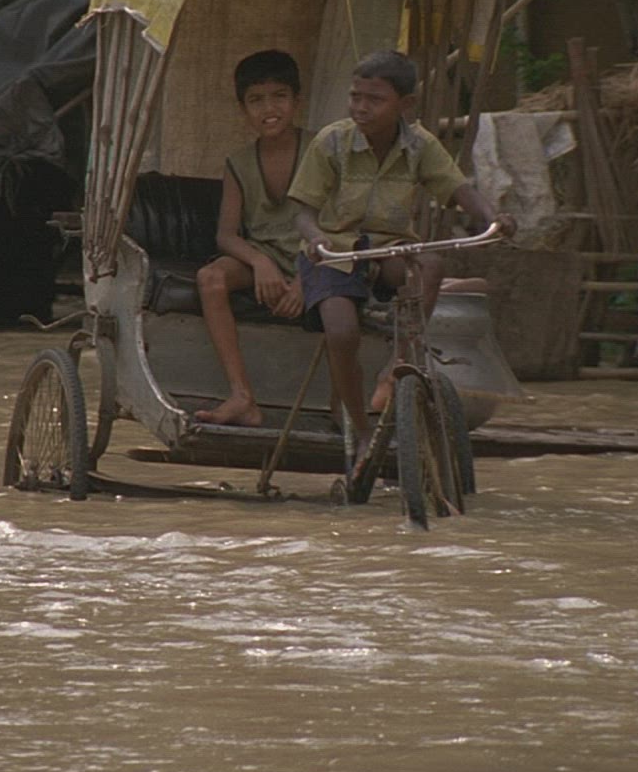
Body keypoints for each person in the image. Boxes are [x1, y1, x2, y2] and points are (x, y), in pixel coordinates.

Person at [289, 50, 513, 463]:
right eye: (355, 96)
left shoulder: (420, 145)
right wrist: (317, 238)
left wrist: (492, 217)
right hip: (334, 252)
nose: (361, 107)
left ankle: (395, 367)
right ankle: (360, 429)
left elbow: (459, 189)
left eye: (374, 99)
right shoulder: (332, 141)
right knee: (342, 333)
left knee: (430, 265)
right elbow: (303, 211)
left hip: (390, 250)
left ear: (405, 105)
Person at [194, 50, 311, 427]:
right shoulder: (239, 162)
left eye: (279, 96)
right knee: (210, 278)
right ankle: (242, 396)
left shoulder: (320, 151)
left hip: (318, 257)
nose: (269, 109)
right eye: (256, 100)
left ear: (296, 100)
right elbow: (226, 235)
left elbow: (340, 228)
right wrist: (260, 262)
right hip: (264, 257)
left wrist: (306, 279)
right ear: (243, 109)